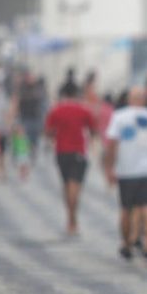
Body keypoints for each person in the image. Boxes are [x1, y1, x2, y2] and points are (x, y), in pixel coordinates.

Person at [103, 87, 147, 264]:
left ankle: (126, 244)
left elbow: (112, 143)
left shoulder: (119, 116)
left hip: (127, 170)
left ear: (129, 99)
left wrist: (109, 167)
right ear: (145, 100)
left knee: (126, 208)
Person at [45, 82, 97, 235]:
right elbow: (93, 130)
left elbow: (48, 131)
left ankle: (70, 217)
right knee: (76, 186)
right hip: (79, 151)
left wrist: (56, 135)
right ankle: (72, 217)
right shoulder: (84, 110)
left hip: (61, 151)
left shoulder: (56, 110)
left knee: (66, 184)